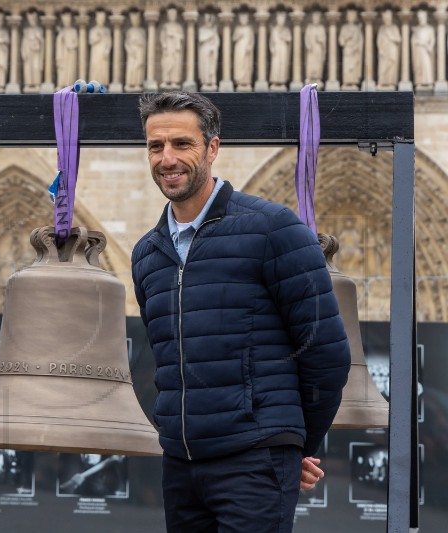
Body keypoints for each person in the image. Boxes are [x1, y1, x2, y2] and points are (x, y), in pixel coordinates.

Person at [131, 92, 350, 532]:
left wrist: (293, 445)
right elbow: (166, 364)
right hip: (181, 463)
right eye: (156, 146)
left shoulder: (273, 228)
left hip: (254, 460)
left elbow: (325, 353)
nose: (167, 158)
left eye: (182, 143)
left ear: (213, 148)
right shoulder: (146, 255)